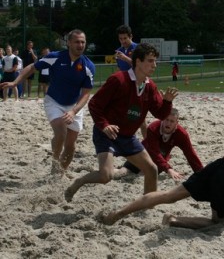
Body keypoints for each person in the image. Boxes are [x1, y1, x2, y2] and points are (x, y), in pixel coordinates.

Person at [64, 43, 179, 203]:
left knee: (151, 169)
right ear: (138, 61)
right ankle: (78, 182)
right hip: (107, 134)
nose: (154, 65)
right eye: (150, 61)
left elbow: (159, 113)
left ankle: (148, 206)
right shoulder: (118, 79)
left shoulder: (150, 86)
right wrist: (105, 125)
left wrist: (167, 102)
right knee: (106, 176)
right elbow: (94, 104)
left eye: (155, 61)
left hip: (127, 137)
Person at [0, 29, 95, 175]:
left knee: (70, 147)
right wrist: (15, 82)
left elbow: (86, 93)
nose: (80, 45)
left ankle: (60, 174)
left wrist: (73, 111)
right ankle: (55, 163)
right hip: (54, 101)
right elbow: (31, 67)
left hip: (74, 106)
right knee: (61, 131)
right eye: (77, 41)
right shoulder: (55, 57)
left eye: (83, 42)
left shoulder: (88, 66)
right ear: (68, 43)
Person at [115, 108, 204, 181]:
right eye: (166, 120)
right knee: (121, 173)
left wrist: (202, 173)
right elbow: (154, 152)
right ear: (162, 119)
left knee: (143, 176)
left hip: (158, 164)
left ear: (177, 122)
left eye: (172, 121)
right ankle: (105, 172)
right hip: (141, 156)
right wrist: (169, 169)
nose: (168, 123)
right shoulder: (153, 128)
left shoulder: (181, 134)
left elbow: (190, 154)